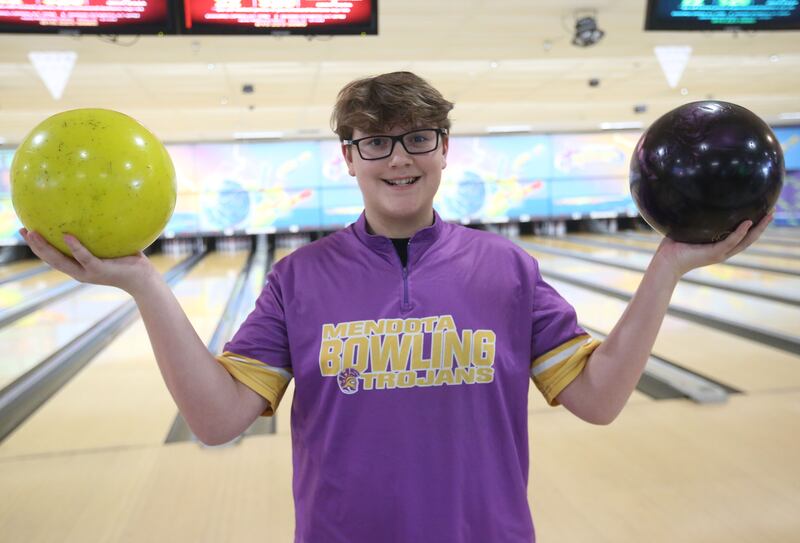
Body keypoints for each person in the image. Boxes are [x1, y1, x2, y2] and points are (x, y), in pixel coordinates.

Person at [20, 71, 772, 543]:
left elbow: (600, 398)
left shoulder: (507, 267)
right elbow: (216, 421)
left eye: (417, 138)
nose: (399, 159)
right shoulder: (298, 278)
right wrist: (148, 285)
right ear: (346, 157)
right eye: (374, 144)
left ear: (445, 149)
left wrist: (667, 266)